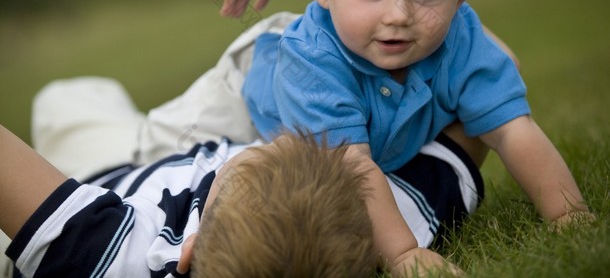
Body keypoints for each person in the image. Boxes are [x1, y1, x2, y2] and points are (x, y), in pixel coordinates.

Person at [221, 0, 592, 271]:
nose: (399, 16)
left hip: (344, 57)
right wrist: (403, 253)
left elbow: (512, 128)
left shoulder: (460, 38)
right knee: (162, 147)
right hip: (244, 96)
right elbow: (352, 166)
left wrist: (567, 213)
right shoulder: (312, 62)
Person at [4, 123, 458, 277]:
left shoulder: (113, 258)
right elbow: (477, 107)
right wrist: (406, 255)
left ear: (191, 251)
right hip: (188, 135)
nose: (272, 143)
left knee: (65, 102)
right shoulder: (390, 222)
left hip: (100, 169)